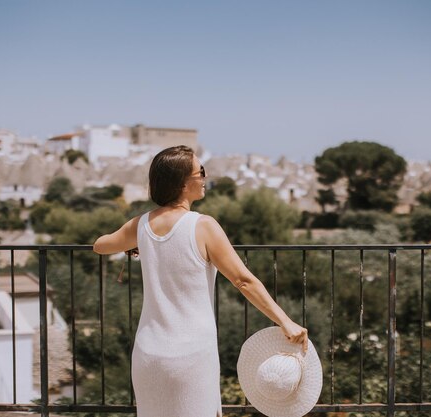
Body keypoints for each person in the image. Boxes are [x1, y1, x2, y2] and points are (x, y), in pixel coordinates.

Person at [93, 145, 308, 417]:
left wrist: (137, 244)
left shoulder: (141, 225)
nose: (205, 178)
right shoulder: (203, 225)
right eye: (201, 172)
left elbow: (100, 246)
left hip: (148, 354)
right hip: (191, 355)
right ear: (183, 182)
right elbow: (243, 280)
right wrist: (285, 321)